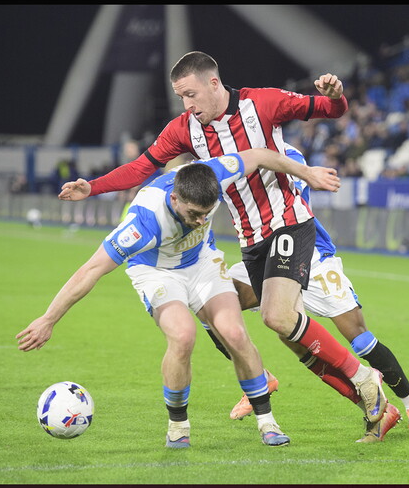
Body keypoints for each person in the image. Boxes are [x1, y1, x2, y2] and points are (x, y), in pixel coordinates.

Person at [59, 51, 389, 439]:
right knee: (266, 328)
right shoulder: (184, 128)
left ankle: (365, 378)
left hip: (289, 222)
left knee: (277, 317)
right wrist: (93, 187)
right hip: (250, 239)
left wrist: (336, 96)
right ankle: (366, 404)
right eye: (180, 97)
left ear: (213, 83)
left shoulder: (263, 102)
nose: (187, 104)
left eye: (191, 94)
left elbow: (330, 110)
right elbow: (141, 168)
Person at [18, 147, 341, 448]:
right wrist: (48, 319)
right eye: (194, 213)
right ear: (174, 198)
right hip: (157, 271)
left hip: (201, 262)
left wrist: (307, 172)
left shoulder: (216, 172)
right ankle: (178, 425)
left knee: (234, 332)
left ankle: (267, 422)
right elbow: (89, 271)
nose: (201, 220)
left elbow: (258, 155)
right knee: (183, 336)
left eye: (206, 213)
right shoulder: (143, 223)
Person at [209, 145, 409, 436]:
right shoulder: (231, 155)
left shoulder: (287, 154)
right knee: (212, 302)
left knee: (360, 339)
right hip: (265, 255)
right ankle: (257, 379)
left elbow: (290, 193)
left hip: (310, 255)